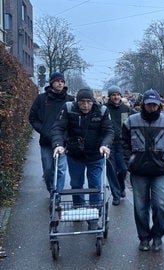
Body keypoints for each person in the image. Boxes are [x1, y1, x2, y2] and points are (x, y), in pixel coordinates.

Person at [121, 89, 164, 251]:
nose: (151, 107)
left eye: (154, 105)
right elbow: (124, 143)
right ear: (143, 104)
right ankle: (144, 237)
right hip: (138, 170)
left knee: (161, 205)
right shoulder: (131, 121)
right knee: (140, 207)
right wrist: (130, 160)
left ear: (159, 105)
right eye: (149, 104)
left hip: (159, 170)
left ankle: (158, 235)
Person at [52, 88, 114, 230]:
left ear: (93, 101)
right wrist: (58, 145)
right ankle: (79, 208)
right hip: (75, 154)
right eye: (82, 102)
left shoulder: (102, 111)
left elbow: (109, 130)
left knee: (95, 185)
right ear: (76, 102)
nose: (85, 105)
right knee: (76, 183)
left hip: (95, 154)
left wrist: (105, 145)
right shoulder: (68, 109)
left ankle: (94, 215)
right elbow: (58, 128)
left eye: (88, 102)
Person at [29, 72, 74, 200]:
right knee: (48, 170)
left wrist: (68, 135)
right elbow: (32, 117)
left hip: (63, 142)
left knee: (60, 170)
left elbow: (74, 119)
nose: (60, 83)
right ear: (51, 83)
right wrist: (43, 130)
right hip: (46, 141)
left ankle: (57, 195)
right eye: (57, 81)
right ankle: (51, 190)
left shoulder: (69, 100)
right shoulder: (41, 99)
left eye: (62, 81)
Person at [105, 85, 131, 205]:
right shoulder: (104, 109)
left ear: (120, 96)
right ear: (110, 96)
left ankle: (121, 186)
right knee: (111, 170)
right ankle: (115, 194)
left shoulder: (126, 109)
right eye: (113, 95)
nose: (116, 97)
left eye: (117, 95)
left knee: (123, 169)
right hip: (108, 144)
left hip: (122, 144)